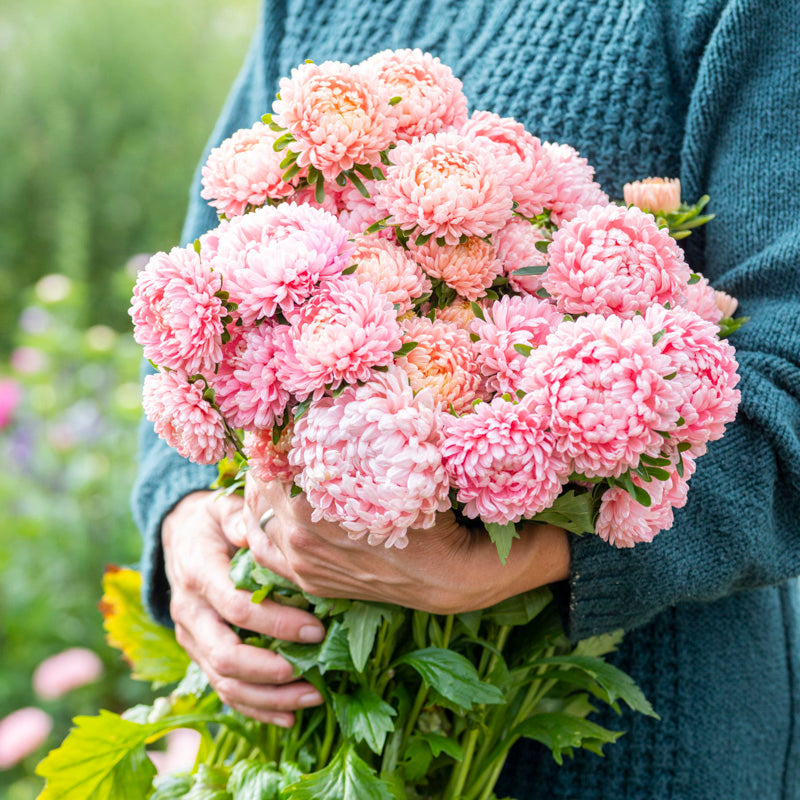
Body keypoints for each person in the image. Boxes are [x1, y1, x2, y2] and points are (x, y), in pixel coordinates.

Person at [132, 0, 800, 796]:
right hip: (292, 725)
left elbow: (788, 379)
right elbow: (202, 291)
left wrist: (534, 560)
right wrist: (186, 516)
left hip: (638, 756)